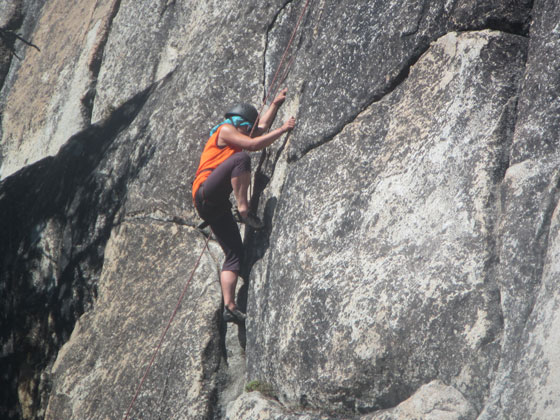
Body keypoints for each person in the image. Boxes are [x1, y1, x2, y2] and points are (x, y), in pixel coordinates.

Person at [192, 88, 296, 324]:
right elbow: (253, 144)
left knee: (234, 254)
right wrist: (283, 129)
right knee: (241, 159)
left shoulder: (237, 132)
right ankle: (244, 210)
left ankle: (229, 306)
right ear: (240, 123)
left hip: (213, 204)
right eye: (247, 128)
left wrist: (275, 105)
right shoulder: (225, 129)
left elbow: (258, 131)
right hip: (205, 191)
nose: (249, 132)